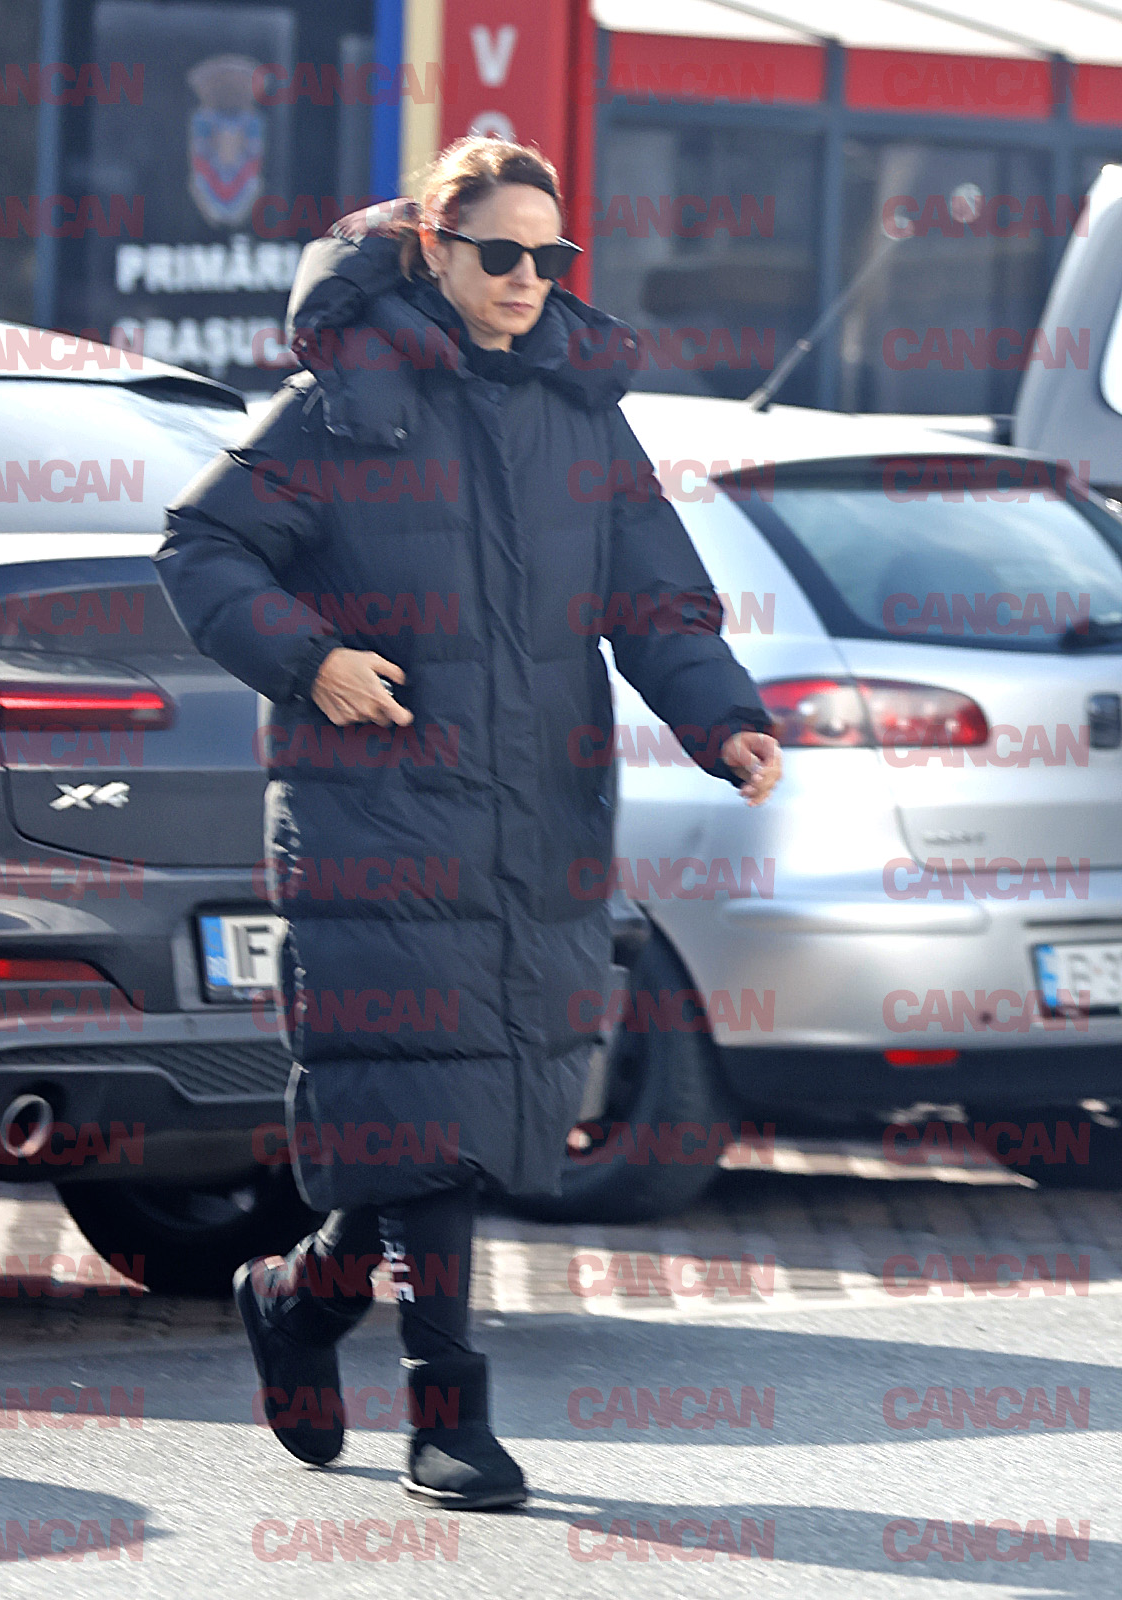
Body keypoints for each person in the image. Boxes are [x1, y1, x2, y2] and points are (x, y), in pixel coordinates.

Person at [155, 135, 782, 1512]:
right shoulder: (339, 403)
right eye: (500, 252)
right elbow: (202, 549)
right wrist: (311, 658)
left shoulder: (579, 412)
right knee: (427, 1112)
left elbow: (655, 599)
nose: (526, 278)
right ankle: (450, 1414)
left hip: (540, 811)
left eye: (550, 256)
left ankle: (301, 1299)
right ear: (435, 251)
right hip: (376, 812)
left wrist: (722, 718)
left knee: (474, 1115)